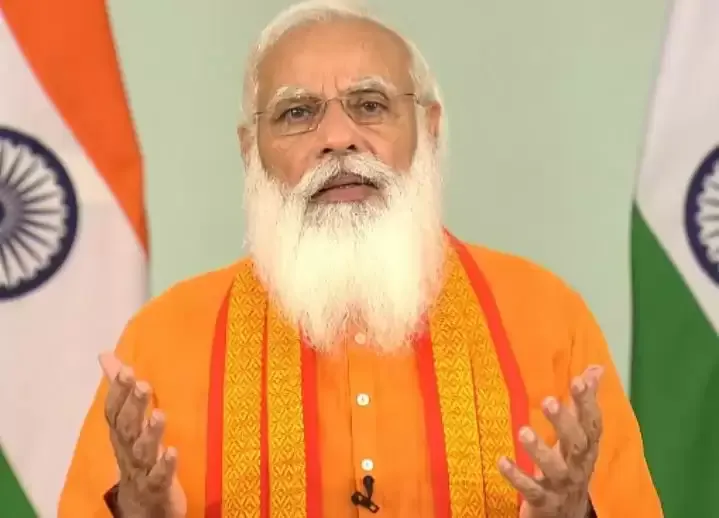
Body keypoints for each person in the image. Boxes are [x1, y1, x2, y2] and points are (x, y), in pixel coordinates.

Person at [58, 1, 663, 516]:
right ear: (250, 150)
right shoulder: (163, 342)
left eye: (370, 105)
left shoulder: (546, 319)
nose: (338, 138)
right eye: (298, 113)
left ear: (428, 128)